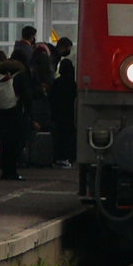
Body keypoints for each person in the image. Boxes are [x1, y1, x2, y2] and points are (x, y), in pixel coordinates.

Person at [0, 59, 32, 181]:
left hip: (1, 114)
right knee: (14, 143)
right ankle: (12, 171)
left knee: (4, 143)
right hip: (15, 113)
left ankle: (5, 170)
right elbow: (26, 95)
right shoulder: (18, 78)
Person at [50, 37, 77, 168]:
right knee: (69, 136)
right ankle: (68, 157)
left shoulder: (56, 83)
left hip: (57, 114)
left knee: (58, 137)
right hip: (70, 114)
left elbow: (51, 98)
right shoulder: (74, 85)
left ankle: (58, 158)